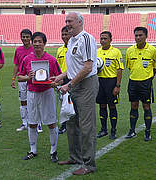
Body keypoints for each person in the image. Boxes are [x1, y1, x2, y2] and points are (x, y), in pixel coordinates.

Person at [53, 12, 98, 175]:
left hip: (85, 85)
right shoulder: (71, 40)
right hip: (73, 84)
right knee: (71, 123)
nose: (67, 24)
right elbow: (75, 65)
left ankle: (89, 164)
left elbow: (87, 67)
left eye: (70, 21)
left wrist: (69, 84)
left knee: (87, 126)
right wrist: (62, 76)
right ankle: (75, 157)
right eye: (66, 21)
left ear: (79, 22)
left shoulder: (86, 39)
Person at [18, 32, 61, 163]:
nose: (37, 44)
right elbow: (20, 76)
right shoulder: (27, 59)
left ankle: (53, 151)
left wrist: (55, 83)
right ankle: (33, 150)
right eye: (35, 41)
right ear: (32, 43)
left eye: (39, 41)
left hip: (47, 93)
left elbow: (58, 78)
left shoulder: (51, 60)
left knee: (51, 123)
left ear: (44, 43)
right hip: (32, 93)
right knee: (32, 123)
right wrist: (28, 77)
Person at [125, 27, 156, 141]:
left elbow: (155, 68)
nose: (138, 37)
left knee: (146, 107)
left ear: (146, 36)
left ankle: (148, 131)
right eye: (136, 35)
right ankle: (132, 130)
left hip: (146, 83)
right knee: (133, 106)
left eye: (140, 35)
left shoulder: (153, 50)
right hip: (133, 82)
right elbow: (130, 67)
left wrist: (148, 77)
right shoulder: (130, 50)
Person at [11, 29, 43, 132]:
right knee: (23, 101)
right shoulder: (18, 50)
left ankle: (38, 123)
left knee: (35, 101)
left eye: (27, 37)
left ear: (31, 38)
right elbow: (16, 65)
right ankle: (24, 123)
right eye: (23, 37)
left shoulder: (35, 48)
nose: (25, 39)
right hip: (22, 78)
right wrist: (13, 78)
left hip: (34, 78)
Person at [96, 31, 124, 140]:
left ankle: (113, 130)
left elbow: (119, 69)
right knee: (102, 105)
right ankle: (103, 129)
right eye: (101, 38)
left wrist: (117, 85)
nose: (103, 41)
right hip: (99, 81)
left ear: (110, 39)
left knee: (112, 106)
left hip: (111, 82)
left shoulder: (116, 52)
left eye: (105, 39)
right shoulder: (96, 52)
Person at [55, 26, 71, 134]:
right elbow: (57, 66)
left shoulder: (75, 48)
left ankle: (72, 124)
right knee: (63, 103)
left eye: (66, 34)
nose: (64, 36)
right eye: (63, 34)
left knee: (72, 102)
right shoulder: (60, 50)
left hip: (72, 79)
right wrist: (58, 78)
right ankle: (64, 125)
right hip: (62, 79)